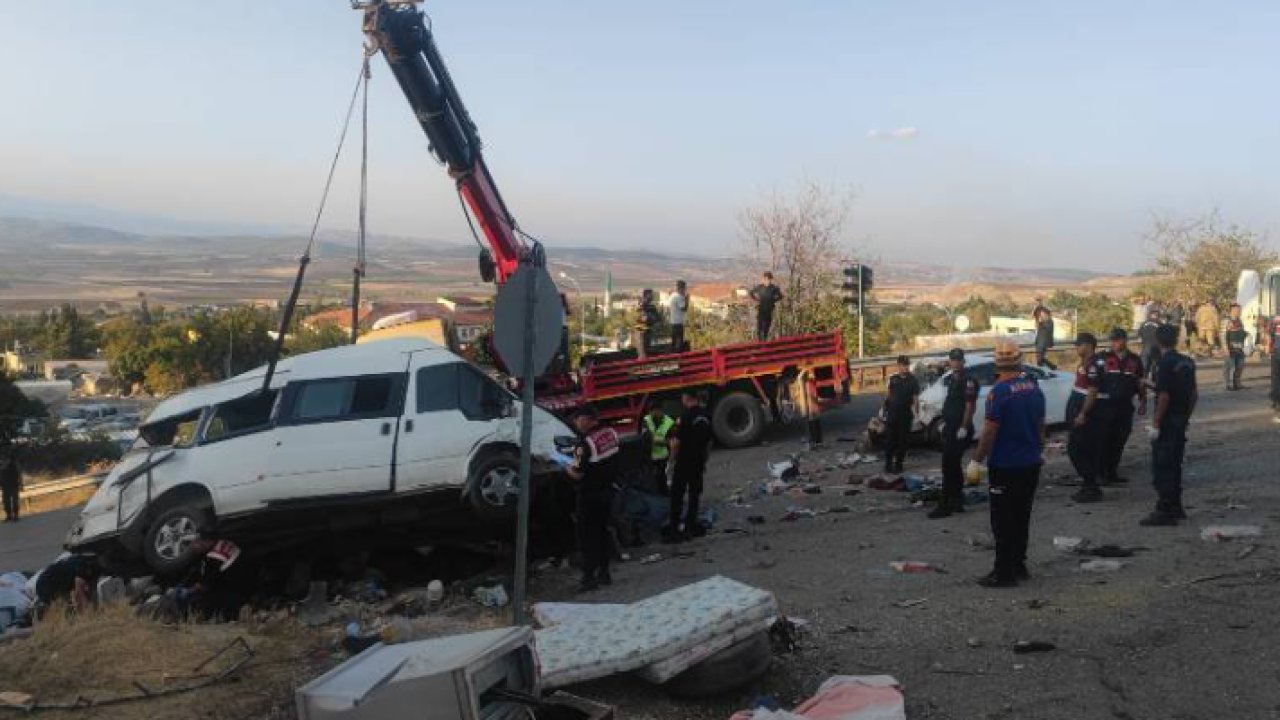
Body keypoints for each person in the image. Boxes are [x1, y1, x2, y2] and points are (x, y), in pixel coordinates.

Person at [971, 341, 1046, 588]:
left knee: (1002, 520)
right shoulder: (1033, 388)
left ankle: (1003, 573)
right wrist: (1038, 450)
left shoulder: (999, 392)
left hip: (1005, 465)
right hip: (1030, 463)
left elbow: (990, 430)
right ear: (1020, 360)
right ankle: (1019, 565)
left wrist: (976, 461)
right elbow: (1040, 426)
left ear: (997, 364)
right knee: (1022, 516)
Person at [1142, 324, 1197, 526]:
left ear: (1157, 341)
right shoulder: (1187, 362)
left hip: (1167, 421)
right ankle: (1176, 505)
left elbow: (1164, 395)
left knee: (1162, 465)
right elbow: (1193, 394)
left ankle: (1165, 509)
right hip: (1180, 418)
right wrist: (1185, 417)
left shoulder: (1164, 363)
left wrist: (1156, 423)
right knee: (1175, 464)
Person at [566, 406, 621, 591]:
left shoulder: (584, 443)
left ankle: (588, 577)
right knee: (603, 532)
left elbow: (577, 474)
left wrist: (566, 465)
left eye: (577, 419)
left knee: (587, 537)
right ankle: (604, 573)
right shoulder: (610, 433)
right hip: (607, 491)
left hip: (589, 496)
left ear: (587, 419)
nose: (575, 423)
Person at [929, 348, 978, 519]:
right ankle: (957, 501)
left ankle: (944, 505)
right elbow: (949, 403)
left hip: (960, 429)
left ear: (963, 362)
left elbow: (970, 407)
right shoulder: (951, 379)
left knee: (948, 466)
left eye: (958, 360)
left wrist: (963, 428)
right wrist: (943, 421)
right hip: (950, 427)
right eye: (953, 360)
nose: (955, 363)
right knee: (953, 466)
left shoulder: (969, 381)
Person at [1096, 327, 1146, 487]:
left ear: (1125, 340)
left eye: (1117, 340)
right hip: (1105, 406)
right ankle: (1101, 473)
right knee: (1104, 440)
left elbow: (1140, 382)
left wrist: (1143, 401)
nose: (1114, 343)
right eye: (1112, 340)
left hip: (1125, 407)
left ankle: (1112, 472)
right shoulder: (1102, 358)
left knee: (1119, 440)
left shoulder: (1135, 360)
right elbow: (1092, 382)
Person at [665, 390, 713, 542]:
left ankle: (674, 529)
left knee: (677, 495)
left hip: (683, 462)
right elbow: (709, 443)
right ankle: (691, 525)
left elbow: (676, 443)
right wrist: (704, 460)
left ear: (686, 398)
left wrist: (671, 462)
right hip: (698, 461)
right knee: (694, 494)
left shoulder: (684, 417)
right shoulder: (706, 415)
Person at [1065, 333, 1105, 503]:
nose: (1076, 348)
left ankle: (1091, 485)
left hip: (1087, 413)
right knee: (1082, 449)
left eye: (1079, 345)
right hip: (1080, 409)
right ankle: (1089, 484)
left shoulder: (1094, 364)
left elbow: (1093, 391)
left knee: (1077, 449)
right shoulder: (1087, 363)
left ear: (1088, 345)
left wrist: (1083, 413)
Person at [184, 532, 255, 621]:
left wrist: (186, 591)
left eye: (194, 543)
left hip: (234, 589)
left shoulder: (216, 554)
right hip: (242, 583)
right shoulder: (221, 544)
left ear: (205, 541)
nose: (192, 547)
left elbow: (206, 583)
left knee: (203, 601)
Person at [882, 356, 920, 474]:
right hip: (892, 413)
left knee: (903, 441)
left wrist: (917, 415)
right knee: (890, 440)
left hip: (905, 414)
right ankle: (888, 464)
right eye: (902, 365)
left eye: (906, 365)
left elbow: (915, 399)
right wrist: (884, 409)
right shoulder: (893, 379)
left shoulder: (913, 380)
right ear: (898, 366)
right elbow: (888, 395)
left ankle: (899, 464)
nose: (905, 367)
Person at [34, 553, 99, 613]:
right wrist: (89, 610)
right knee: (66, 607)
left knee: (67, 606)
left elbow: (87, 591)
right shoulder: (83, 567)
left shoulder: (84, 564)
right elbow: (79, 593)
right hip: (46, 584)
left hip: (51, 581)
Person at [641, 403, 674, 495]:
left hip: (664, 457)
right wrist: (662, 442)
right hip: (650, 457)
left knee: (664, 481)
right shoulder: (646, 420)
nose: (653, 414)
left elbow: (672, 441)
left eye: (656, 411)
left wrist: (655, 441)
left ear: (660, 410)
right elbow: (646, 438)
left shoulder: (669, 422)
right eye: (651, 412)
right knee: (653, 481)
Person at [749, 272, 783, 342]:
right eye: (765, 279)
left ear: (770, 279)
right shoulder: (759, 287)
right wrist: (756, 299)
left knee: (766, 326)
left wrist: (773, 300)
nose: (767, 280)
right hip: (761, 308)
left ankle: (764, 340)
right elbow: (751, 293)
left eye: (768, 279)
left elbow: (780, 296)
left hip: (769, 309)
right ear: (763, 279)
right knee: (760, 326)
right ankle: (760, 341)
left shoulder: (774, 288)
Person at [1222, 303, 1248, 391]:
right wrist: (1225, 348)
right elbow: (1222, 335)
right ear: (1232, 310)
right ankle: (1227, 384)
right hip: (1230, 347)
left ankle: (1237, 383)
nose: (1239, 312)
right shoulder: (1226, 321)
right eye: (1237, 310)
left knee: (1240, 366)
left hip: (1240, 347)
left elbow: (1241, 332)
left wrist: (1246, 335)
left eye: (1239, 310)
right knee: (1228, 366)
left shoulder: (1240, 320)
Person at [632, 289, 661, 359]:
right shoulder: (641, 305)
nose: (652, 296)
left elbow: (658, 318)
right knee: (642, 354)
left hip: (648, 331)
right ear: (646, 295)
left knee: (647, 352)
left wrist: (651, 318)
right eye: (651, 294)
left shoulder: (652, 307)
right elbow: (640, 318)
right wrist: (647, 317)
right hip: (640, 331)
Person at [1032, 298, 1056, 369]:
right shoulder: (1045, 321)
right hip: (1041, 341)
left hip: (1042, 341)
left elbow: (1046, 334)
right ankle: (1051, 367)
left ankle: (1052, 367)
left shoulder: (1047, 322)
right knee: (1040, 359)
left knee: (1040, 359)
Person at [1138, 309, 1162, 379]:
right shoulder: (1159, 323)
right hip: (1155, 348)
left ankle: (1143, 385)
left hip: (1145, 348)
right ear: (1157, 316)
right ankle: (1154, 383)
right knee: (1155, 367)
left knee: (1144, 368)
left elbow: (1139, 337)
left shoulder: (1144, 323)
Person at [0, 446, 21, 523]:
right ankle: (9, 515)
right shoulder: (1, 463)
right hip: (4, 485)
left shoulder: (14, 462)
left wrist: (21, 484)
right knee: (5, 501)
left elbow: (19, 472)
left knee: (15, 500)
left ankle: (16, 515)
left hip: (13, 483)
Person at [668, 280, 689, 352]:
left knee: (674, 342)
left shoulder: (672, 296)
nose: (685, 290)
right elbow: (684, 309)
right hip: (678, 323)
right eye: (685, 288)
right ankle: (678, 358)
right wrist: (687, 299)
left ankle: (673, 357)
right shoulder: (678, 297)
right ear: (681, 288)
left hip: (673, 322)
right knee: (679, 343)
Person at [1267, 311, 1280, 422]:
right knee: (1275, 378)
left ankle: (1276, 401)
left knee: (1276, 378)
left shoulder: (1274, 319)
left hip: (1276, 351)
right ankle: (1276, 401)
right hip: (1276, 352)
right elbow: (1270, 334)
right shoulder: (1275, 319)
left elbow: (1270, 334)